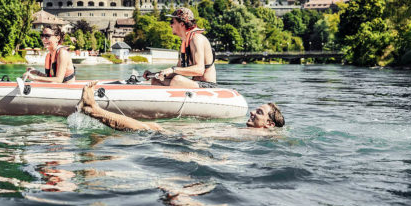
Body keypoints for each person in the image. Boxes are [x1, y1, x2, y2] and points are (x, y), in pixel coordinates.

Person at [78, 81, 285, 131]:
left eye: (259, 112)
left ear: (269, 124)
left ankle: (94, 110)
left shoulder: (261, 136)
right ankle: (94, 111)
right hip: (197, 138)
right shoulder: (258, 134)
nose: (251, 111)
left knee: (152, 128)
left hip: (193, 140)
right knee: (152, 128)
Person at [145, 7, 216, 88]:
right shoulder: (185, 42)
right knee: (155, 80)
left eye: (172, 22)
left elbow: (199, 70)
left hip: (208, 85)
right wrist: (154, 74)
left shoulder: (197, 38)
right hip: (195, 83)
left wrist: (173, 69)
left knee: (177, 79)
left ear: (182, 24)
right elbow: (178, 70)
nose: (170, 25)